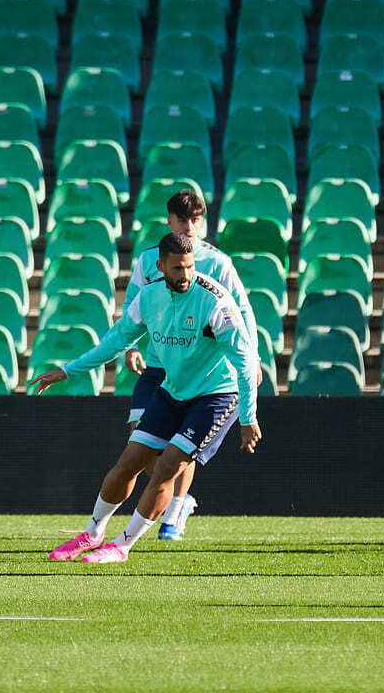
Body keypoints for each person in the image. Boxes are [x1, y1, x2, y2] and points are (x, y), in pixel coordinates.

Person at [31, 232, 260, 564]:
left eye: (190, 267)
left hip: (216, 395)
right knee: (129, 462)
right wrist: (67, 371)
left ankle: (122, 546)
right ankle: (93, 533)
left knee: (167, 466)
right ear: (160, 266)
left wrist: (248, 417)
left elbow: (243, 360)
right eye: (178, 268)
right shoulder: (149, 297)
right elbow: (115, 342)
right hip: (174, 389)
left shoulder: (214, 301)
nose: (186, 275)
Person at [121, 190, 258, 540]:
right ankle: (176, 500)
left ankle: (174, 512)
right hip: (158, 362)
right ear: (169, 221)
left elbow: (241, 313)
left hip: (199, 368)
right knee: (140, 433)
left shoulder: (218, 263)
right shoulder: (148, 260)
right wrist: (131, 347)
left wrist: (252, 356)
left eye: (196, 219)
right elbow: (133, 307)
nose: (190, 225)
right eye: (183, 219)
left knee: (182, 443)